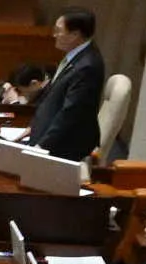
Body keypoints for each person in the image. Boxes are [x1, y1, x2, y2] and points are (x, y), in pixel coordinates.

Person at [12, 8, 109, 163]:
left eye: (58, 31)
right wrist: (33, 127)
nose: (54, 35)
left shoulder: (87, 66)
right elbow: (53, 97)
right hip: (50, 136)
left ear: (75, 34)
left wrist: (43, 146)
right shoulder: (76, 56)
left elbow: (71, 112)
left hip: (65, 147)